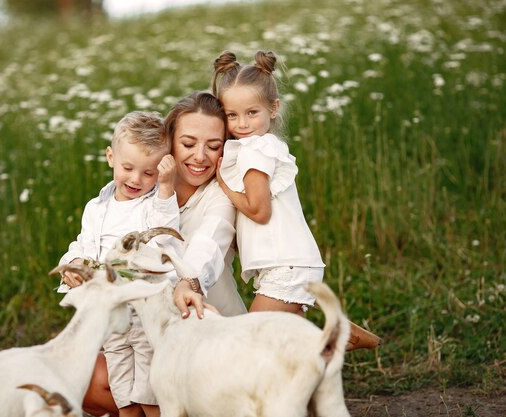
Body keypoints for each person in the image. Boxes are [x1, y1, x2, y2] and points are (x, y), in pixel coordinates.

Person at [76, 92, 247, 416]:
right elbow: (97, 238)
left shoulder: (218, 200)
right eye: (188, 143)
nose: (200, 156)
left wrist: (188, 282)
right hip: (149, 335)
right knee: (83, 373)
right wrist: (76, 264)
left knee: (157, 380)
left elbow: (203, 253)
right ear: (167, 144)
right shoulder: (137, 190)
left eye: (213, 146)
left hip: (205, 342)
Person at [211, 50, 380, 349]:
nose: (241, 124)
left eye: (252, 113)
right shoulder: (262, 147)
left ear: (273, 108)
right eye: (231, 115)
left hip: (286, 266)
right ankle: (330, 338)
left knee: (251, 344)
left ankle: (328, 339)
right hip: (288, 263)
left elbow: (259, 211)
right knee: (280, 347)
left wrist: (223, 184)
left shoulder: (256, 150)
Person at [59, 110, 178, 417]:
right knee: (121, 383)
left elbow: (164, 240)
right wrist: (73, 264)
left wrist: (165, 188)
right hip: (109, 313)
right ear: (111, 157)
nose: (136, 179)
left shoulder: (154, 206)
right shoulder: (96, 208)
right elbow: (85, 246)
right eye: (128, 168)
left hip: (143, 311)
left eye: (149, 173)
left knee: (151, 386)